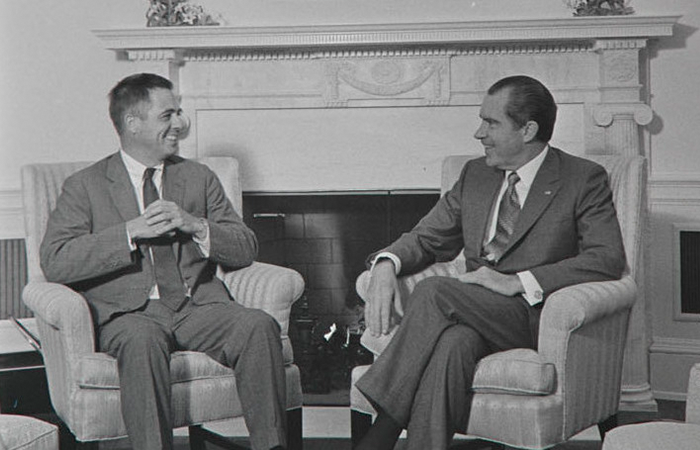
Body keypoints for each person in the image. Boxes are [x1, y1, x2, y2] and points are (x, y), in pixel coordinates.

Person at [354, 75, 626, 450]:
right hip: (470, 313)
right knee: (453, 344)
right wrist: (385, 264)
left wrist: (520, 281)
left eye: (491, 123)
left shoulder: (582, 179)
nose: (478, 133)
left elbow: (607, 259)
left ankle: (380, 433)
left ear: (528, 130)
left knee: (433, 292)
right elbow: (427, 236)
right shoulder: (476, 175)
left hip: (534, 316)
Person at [40, 73, 287, 450]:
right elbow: (56, 261)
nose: (179, 125)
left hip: (198, 307)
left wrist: (197, 225)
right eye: (167, 115)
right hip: (129, 315)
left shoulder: (198, 177)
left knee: (258, 325)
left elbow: (245, 247)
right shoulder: (84, 186)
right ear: (132, 123)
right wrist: (129, 232)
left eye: (179, 113)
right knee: (142, 341)